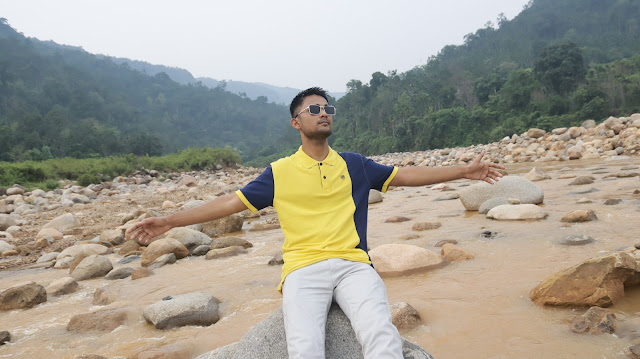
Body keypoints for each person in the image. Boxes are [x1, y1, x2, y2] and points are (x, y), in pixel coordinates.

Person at [127, 87, 504, 359]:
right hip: (303, 268)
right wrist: (167, 221)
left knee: (380, 334)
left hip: (354, 266)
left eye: (328, 108)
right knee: (305, 348)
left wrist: (463, 172)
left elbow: (406, 174)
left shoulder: (355, 164)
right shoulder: (279, 172)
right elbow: (230, 202)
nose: (324, 113)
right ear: (296, 122)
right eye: (314, 109)